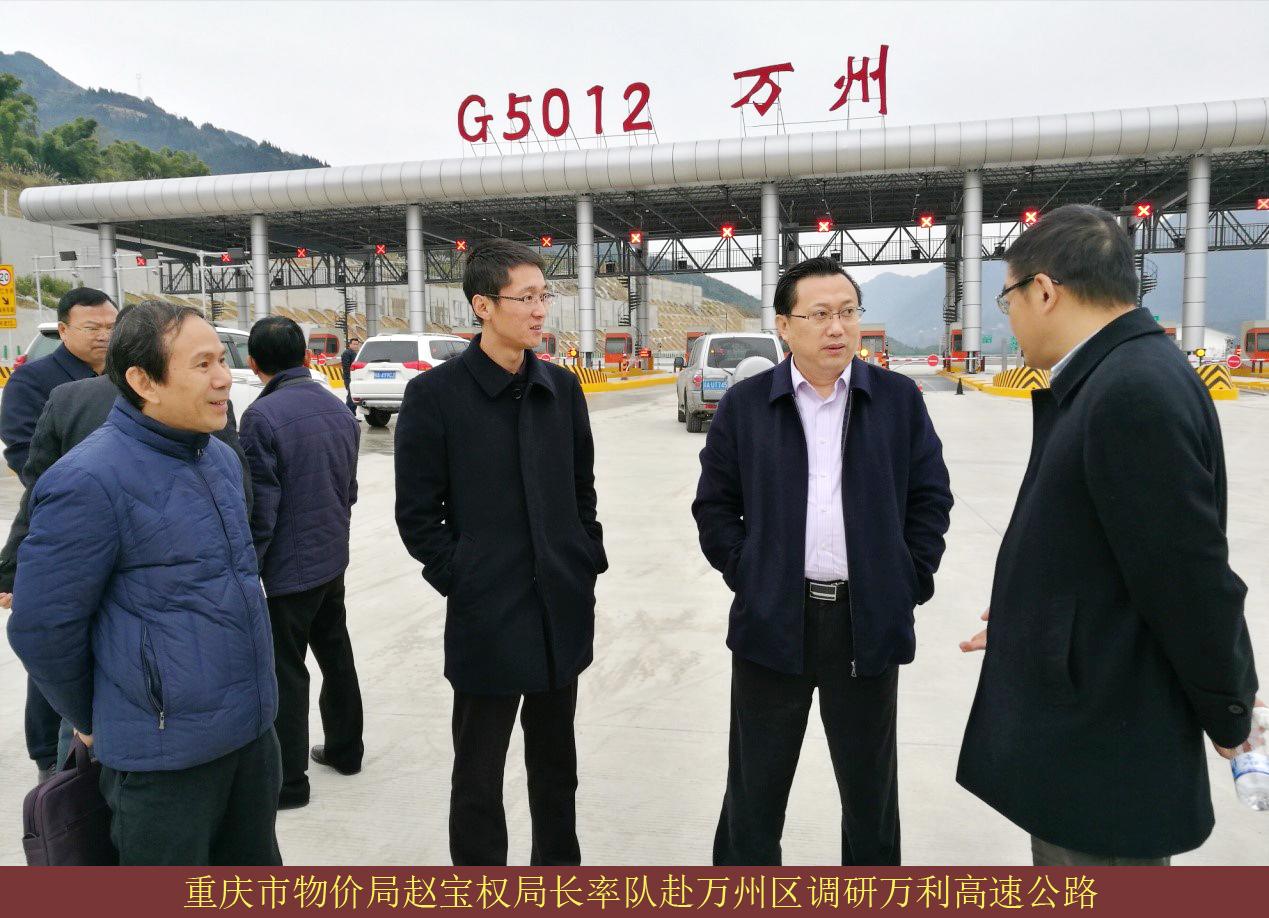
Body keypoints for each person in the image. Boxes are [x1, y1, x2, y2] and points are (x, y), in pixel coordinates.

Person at [956, 203, 1262, 866]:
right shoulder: (1117, 375)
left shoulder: (1131, 391)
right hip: (1091, 721)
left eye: (1008, 298)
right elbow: (1107, 547)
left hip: (1103, 749)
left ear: (1044, 290)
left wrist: (1229, 706)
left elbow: (1188, 577)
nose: (1008, 316)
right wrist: (1026, 616)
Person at [693, 256, 953, 866]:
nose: (837, 328)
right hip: (772, 621)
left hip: (867, 622)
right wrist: (752, 575)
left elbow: (930, 498)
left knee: (870, 798)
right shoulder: (747, 405)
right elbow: (714, 506)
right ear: (784, 325)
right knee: (754, 794)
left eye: (848, 312)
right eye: (820, 315)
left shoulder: (897, 400)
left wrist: (907, 577)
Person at [6, 300, 282, 865]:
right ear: (142, 382)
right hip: (163, 762)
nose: (223, 377)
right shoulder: (88, 480)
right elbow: (42, 626)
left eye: (222, 360)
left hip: (251, 736)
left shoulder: (218, 460)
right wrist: (93, 717)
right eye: (202, 364)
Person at [394, 238, 606, 866]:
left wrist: (584, 557)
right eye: (526, 298)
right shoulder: (436, 396)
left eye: (545, 296)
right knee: (479, 774)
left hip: (559, 607)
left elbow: (582, 489)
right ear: (482, 305)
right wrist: (464, 576)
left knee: (557, 767)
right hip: (487, 616)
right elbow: (417, 515)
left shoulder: (561, 388)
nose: (541, 310)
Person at [240, 316, 363, 810]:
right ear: (307, 357)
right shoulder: (337, 407)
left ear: (254, 363)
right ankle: (346, 751)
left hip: (288, 571)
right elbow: (349, 489)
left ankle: (290, 782)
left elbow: (262, 509)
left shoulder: (260, 417)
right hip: (331, 556)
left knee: (286, 670)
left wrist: (249, 568)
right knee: (336, 653)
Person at [0, 286, 117, 784]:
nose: (104, 335)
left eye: (111, 326)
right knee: (57, 642)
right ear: (64, 330)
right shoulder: (35, 381)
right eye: (92, 327)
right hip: (61, 523)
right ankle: (49, 756)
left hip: (114, 527)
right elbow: (24, 452)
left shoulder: (129, 376)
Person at [341, 336, 361, 415]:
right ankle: (349, 414)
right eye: (354, 344)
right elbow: (346, 367)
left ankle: (352, 415)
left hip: (354, 377)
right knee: (351, 397)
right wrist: (349, 377)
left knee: (353, 396)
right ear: (350, 345)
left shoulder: (354, 353)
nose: (356, 346)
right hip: (349, 378)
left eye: (357, 344)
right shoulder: (347, 353)